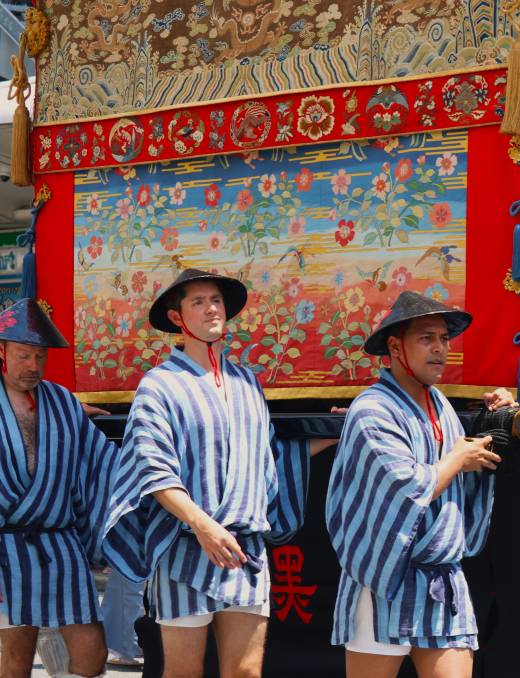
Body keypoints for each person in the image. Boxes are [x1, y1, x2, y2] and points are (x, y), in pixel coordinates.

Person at [103, 269, 333, 678]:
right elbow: (152, 469)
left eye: (216, 300)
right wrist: (204, 526)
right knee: (184, 672)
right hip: (186, 547)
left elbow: (270, 457)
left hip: (244, 549)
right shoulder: (159, 385)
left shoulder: (247, 382)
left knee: (245, 672)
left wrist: (337, 433)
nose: (211, 308)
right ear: (177, 318)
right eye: (198, 301)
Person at [326, 290, 516, 678]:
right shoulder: (372, 409)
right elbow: (408, 487)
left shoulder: (441, 406)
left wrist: (494, 417)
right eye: (426, 338)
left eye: (444, 339)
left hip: (441, 577)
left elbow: (460, 462)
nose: (440, 349)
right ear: (395, 347)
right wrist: (459, 459)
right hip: (382, 576)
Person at [0, 298, 120, 678]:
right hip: (5, 548)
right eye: (23, 355)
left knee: (92, 650)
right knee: (14, 657)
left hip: (60, 544)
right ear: (1, 351)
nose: (33, 366)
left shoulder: (62, 403)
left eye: (39, 356)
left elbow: (104, 461)